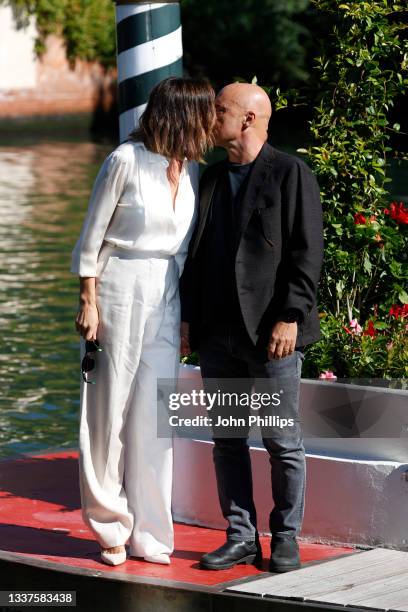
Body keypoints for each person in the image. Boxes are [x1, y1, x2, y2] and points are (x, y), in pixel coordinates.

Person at [71, 77, 215, 567]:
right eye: (204, 112)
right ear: (181, 114)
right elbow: (91, 237)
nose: (211, 122)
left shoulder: (191, 168)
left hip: (167, 291)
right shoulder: (125, 161)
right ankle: (110, 524)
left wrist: (185, 315)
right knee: (107, 413)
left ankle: (151, 532)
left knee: (157, 420)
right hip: (118, 287)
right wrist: (88, 301)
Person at [180, 82, 324, 573]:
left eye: (219, 109)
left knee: (283, 442)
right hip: (218, 335)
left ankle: (285, 537)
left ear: (247, 119)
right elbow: (195, 259)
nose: (209, 115)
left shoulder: (290, 172)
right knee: (228, 442)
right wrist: (187, 319)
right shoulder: (211, 178)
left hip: (272, 336)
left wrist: (292, 315)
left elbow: (308, 253)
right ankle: (241, 536)